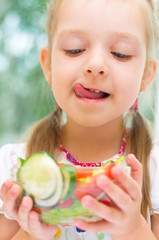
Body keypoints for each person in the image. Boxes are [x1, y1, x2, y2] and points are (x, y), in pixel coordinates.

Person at [0, 0, 159, 239]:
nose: (95, 66)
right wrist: (31, 233)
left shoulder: (154, 168)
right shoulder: (13, 167)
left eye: (120, 53)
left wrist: (132, 228)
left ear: (147, 74)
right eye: (74, 49)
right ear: (48, 65)